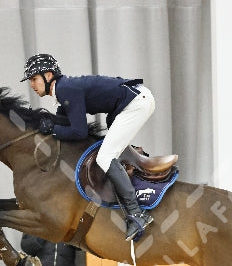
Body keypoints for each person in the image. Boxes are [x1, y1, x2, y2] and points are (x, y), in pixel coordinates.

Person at [21, 53, 155, 241]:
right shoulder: (64, 90)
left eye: (34, 79)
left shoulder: (65, 89)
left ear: (49, 75)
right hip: (133, 100)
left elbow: (78, 132)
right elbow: (62, 124)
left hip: (136, 103)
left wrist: (52, 128)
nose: (32, 85)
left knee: (105, 157)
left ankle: (137, 213)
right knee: (107, 153)